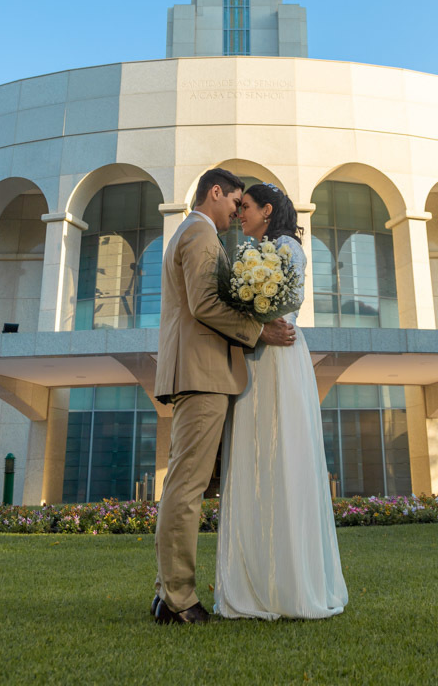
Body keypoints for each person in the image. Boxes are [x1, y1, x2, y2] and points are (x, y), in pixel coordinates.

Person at [152, 168, 296, 625]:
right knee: (187, 487)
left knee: (190, 484)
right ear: (215, 192)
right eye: (235, 203)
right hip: (201, 374)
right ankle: (177, 599)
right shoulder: (198, 233)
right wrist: (259, 331)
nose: (237, 214)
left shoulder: (196, 233)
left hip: (207, 372)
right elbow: (204, 304)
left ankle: (167, 592)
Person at [214, 182, 348, 620]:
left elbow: (279, 312)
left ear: (268, 210)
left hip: (277, 357)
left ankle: (286, 584)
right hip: (258, 355)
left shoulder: (285, 249)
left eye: (247, 207)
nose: (240, 214)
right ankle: (256, 579)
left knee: (280, 459)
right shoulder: (258, 248)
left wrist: (254, 320)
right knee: (255, 459)